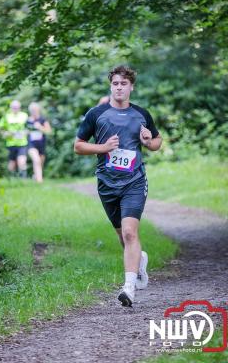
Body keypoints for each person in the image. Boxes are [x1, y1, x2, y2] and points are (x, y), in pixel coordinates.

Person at [74, 65, 162, 307]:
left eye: (124, 83)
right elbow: (78, 145)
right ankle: (139, 260)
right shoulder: (96, 114)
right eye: (115, 83)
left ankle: (129, 288)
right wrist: (102, 148)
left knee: (130, 232)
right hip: (107, 183)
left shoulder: (141, 114)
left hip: (134, 181)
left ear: (131, 86)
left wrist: (149, 141)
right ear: (110, 86)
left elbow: (157, 141)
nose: (119, 87)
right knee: (123, 238)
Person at [0, 100, 28, 178]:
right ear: (11, 108)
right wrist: (5, 133)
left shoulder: (24, 115)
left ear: (20, 108)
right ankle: (12, 179)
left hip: (22, 143)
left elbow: (29, 127)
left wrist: (27, 132)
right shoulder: (7, 116)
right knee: (12, 163)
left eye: (17, 107)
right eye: (14, 107)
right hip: (11, 143)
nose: (15, 109)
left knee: (22, 161)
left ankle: (23, 180)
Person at [26, 102, 51, 183]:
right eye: (32, 110)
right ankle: (40, 180)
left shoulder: (42, 120)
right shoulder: (27, 121)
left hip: (41, 144)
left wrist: (40, 127)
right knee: (36, 159)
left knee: (40, 162)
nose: (34, 112)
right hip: (31, 144)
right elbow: (24, 131)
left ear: (38, 110)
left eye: (35, 110)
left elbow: (49, 131)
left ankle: (35, 175)